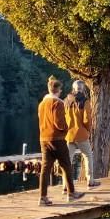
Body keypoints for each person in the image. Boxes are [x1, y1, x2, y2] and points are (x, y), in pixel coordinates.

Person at [38, 76, 84, 206]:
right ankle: (71, 193)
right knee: (66, 165)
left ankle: (43, 197)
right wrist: (67, 128)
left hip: (44, 139)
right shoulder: (57, 103)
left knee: (45, 169)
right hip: (57, 139)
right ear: (58, 90)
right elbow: (59, 123)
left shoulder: (41, 104)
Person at [65, 80, 100, 188]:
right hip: (81, 134)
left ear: (73, 88)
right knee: (88, 156)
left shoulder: (66, 101)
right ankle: (90, 180)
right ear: (83, 89)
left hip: (69, 135)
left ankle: (65, 185)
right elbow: (87, 119)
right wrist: (88, 130)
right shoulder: (85, 101)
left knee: (67, 160)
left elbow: (62, 118)